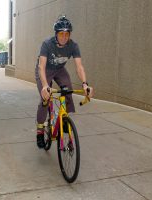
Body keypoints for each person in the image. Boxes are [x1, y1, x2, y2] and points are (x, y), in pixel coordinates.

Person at [35, 16, 94, 148]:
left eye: (67, 34)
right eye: (61, 34)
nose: (64, 37)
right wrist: (45, 86)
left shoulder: (73, 46)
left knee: (68, 91)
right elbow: (41, 67)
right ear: (56, 34)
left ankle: (64, 120)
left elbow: (79, 67)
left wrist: (85, 84)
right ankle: (39, 131)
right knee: (45, 98)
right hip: (45, 71)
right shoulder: (47, 44)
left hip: (60, 70)